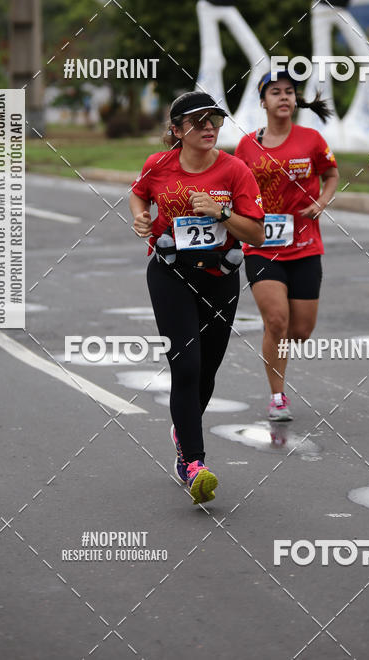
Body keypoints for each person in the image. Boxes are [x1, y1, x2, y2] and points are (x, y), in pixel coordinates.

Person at [129, 92, 265, 504]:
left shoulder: (235, 170)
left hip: (219, 277)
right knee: (185, 366)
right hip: (170, 275)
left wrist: (221, 213)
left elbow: (257, 234)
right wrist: (140, 216)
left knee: (207, 370)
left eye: (215, 120)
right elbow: (139, 192)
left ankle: (182, 429)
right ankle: (193, 463)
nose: (209, 128)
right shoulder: (158, 165)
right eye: (198, 121)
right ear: (177, 130)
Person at [235, 71, 339, 420]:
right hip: (262, 246)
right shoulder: (247, 146)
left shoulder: (312, 140)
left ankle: (276, 330)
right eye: (275, 92)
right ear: (262, 102)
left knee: (300, 331)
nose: (283, 97)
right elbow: (236, 188)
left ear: (295, 100)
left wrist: (322, 201)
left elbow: (331, 175)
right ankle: (277, 396)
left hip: (306, 246)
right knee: (277, 321)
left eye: (289, 92)